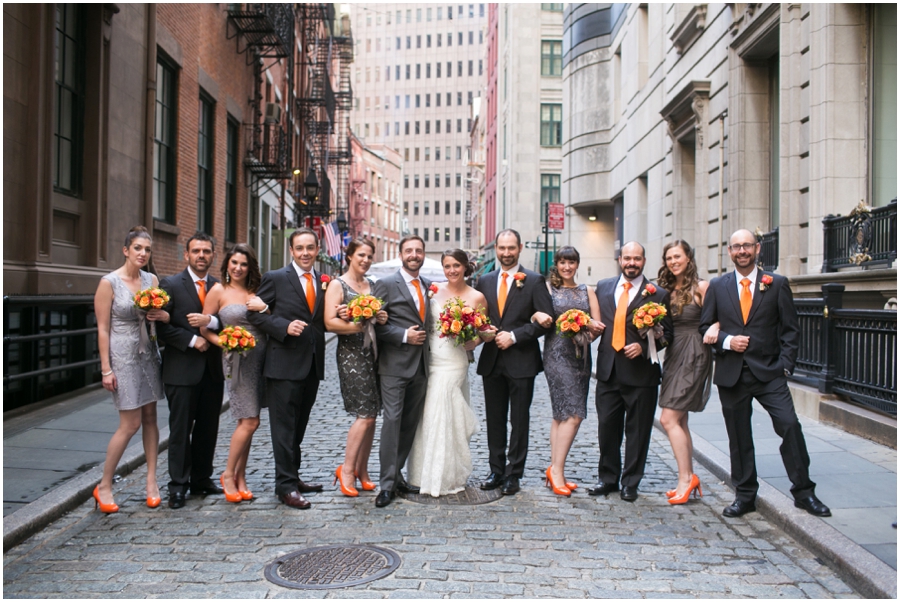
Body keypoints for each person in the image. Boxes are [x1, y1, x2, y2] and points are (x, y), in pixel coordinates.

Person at [699, 229, 831, 518]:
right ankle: (745, 495)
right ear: (730, 251)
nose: (742, 251)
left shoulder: (777, 284)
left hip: (769, 373)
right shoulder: (718, 287)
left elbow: (790, 330)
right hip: (732, 374)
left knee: (789, 425)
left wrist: (785, 366)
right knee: (739, 435)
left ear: (758, 249)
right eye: (736, 246)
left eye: (747, 245)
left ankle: (804, 492)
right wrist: (726, 341)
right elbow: (704, 326)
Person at [247, 228, 327, 510]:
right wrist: (283, 326)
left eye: (310, 247)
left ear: (317, 249)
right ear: (291, 251)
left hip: (312, 364)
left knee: (299, 427)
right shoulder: (276, 278)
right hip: (283, 364)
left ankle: (294, 476)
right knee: (283, 429)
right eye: (299, 248)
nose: (305, 253)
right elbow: (252, 314)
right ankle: (285, 487)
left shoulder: (321, 280)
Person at [589, 241, 674, 502]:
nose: (631, 263)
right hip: (608, 370)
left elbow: (668, 334)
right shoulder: (603, 287)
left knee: (637, 431)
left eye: (637, 259)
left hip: (640, 374)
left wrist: (644, 344)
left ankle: (631, 482)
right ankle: (608, 479)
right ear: (620, 259)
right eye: (627, 258)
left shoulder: (658, 293)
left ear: (644, 261)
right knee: (607, 428)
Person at [92, 226, 166, 513]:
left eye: (147, 250)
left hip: (148, 353)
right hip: (122, 355)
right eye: (137, 248)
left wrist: (159, 314)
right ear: (126, 250)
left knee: (151, 417)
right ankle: (104, 485)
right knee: (130, 423)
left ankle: (151, 482)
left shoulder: (152, 279)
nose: (143, 254)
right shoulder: (108, 283)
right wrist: (106, 369)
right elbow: (102, 328)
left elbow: (156, 316)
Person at [475, 229, 554, 496]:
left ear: (520, 248)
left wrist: (516, 336)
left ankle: (514, 473)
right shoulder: (484, 281)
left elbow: (547, 321)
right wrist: (482, 331)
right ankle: (496, 469)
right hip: (492, 361)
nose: (506, 253)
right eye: (502, 248)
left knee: (519, 420)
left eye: (511, 248)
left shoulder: (533, 280)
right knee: (494, 419)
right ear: (495, 249)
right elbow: (478, 317)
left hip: (522, 361)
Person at [407, 249, 488, 497]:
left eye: (456, 265)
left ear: (465, 267)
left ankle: (444, 475)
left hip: (454, 362)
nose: (451, 270)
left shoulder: (477, 297)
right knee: (428, 414)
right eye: (447, 266)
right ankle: (422, 474)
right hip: (430, 358)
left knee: (443, 410)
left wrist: (473, 342)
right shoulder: (433, 290)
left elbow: (484, 331)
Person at [157, 232, 224, 509]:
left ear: (213, 255)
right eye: (196, 251)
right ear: (186, 255)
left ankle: (201, 479)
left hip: (212, 370)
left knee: (208, 428)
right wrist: (191, 339)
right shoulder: (170, 284)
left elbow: (226, 318)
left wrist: (213, 323)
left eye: (206, 251)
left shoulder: (219, 286)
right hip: (181, 370)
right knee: (180, 429)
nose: (201, 256)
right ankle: (177, 486)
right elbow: (160, 325)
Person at [529, 246, 604, 497]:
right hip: (557, 355)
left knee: (561, 414)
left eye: (571, 263)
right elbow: (535, 316)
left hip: (581, 356)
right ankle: (557, 471)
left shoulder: (587, 291)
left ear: (577, 264)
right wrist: (538, 316)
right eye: (562, 262)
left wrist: (588, 329)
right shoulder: (548, 290)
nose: (567, 267)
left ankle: (554, 468)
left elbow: (598, 327)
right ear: (557, 265)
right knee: (574, 414)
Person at [198, 243, 267, 503]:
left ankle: (240, 476)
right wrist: (226, 344)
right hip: (237, 361)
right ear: (227, 264)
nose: (238, 268)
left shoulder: (256, 290)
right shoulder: (217, 290)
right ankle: (227, 475)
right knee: (250, 421)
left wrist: (264, 307)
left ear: (250, 267)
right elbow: (205, 328)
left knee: (246, 422)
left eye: (244, 264)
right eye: (234, 263)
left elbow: (268, 318)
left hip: (261, 360)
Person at [324, 238, 387, 497]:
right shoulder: (338, 285)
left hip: (374, 354)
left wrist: (380, 317)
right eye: (361, 255)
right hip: (351, 355)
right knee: (366, 414)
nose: (365, 260)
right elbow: (329, 323)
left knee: (372, 415)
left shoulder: (372, 285)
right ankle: (347, 470)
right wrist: (360, 326)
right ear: (350, 256)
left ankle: (362, 470)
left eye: (370, 256)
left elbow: (378, 318)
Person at [371, 235, 432, 507]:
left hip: (422, 366)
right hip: (394, 366)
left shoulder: (429, 286)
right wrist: (403, 335)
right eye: (409, 250)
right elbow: (374, 323)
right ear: (400, 255)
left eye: (418, 251)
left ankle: (397, 477)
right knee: (392, 422)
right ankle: (386, 485)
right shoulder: (385, 284)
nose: (414, 254)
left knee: (409, 424)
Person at [656, 240, 716, 505]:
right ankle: (688, 475)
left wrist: (717, 327)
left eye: (677, 256)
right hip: (673, 352)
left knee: (669, 418)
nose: (673, 261)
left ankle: (685, 479)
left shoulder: (702, 287)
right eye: (669, 257)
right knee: (680, 420)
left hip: (695, 352)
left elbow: (723, 314)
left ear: (689, 257)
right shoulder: (666, 289)